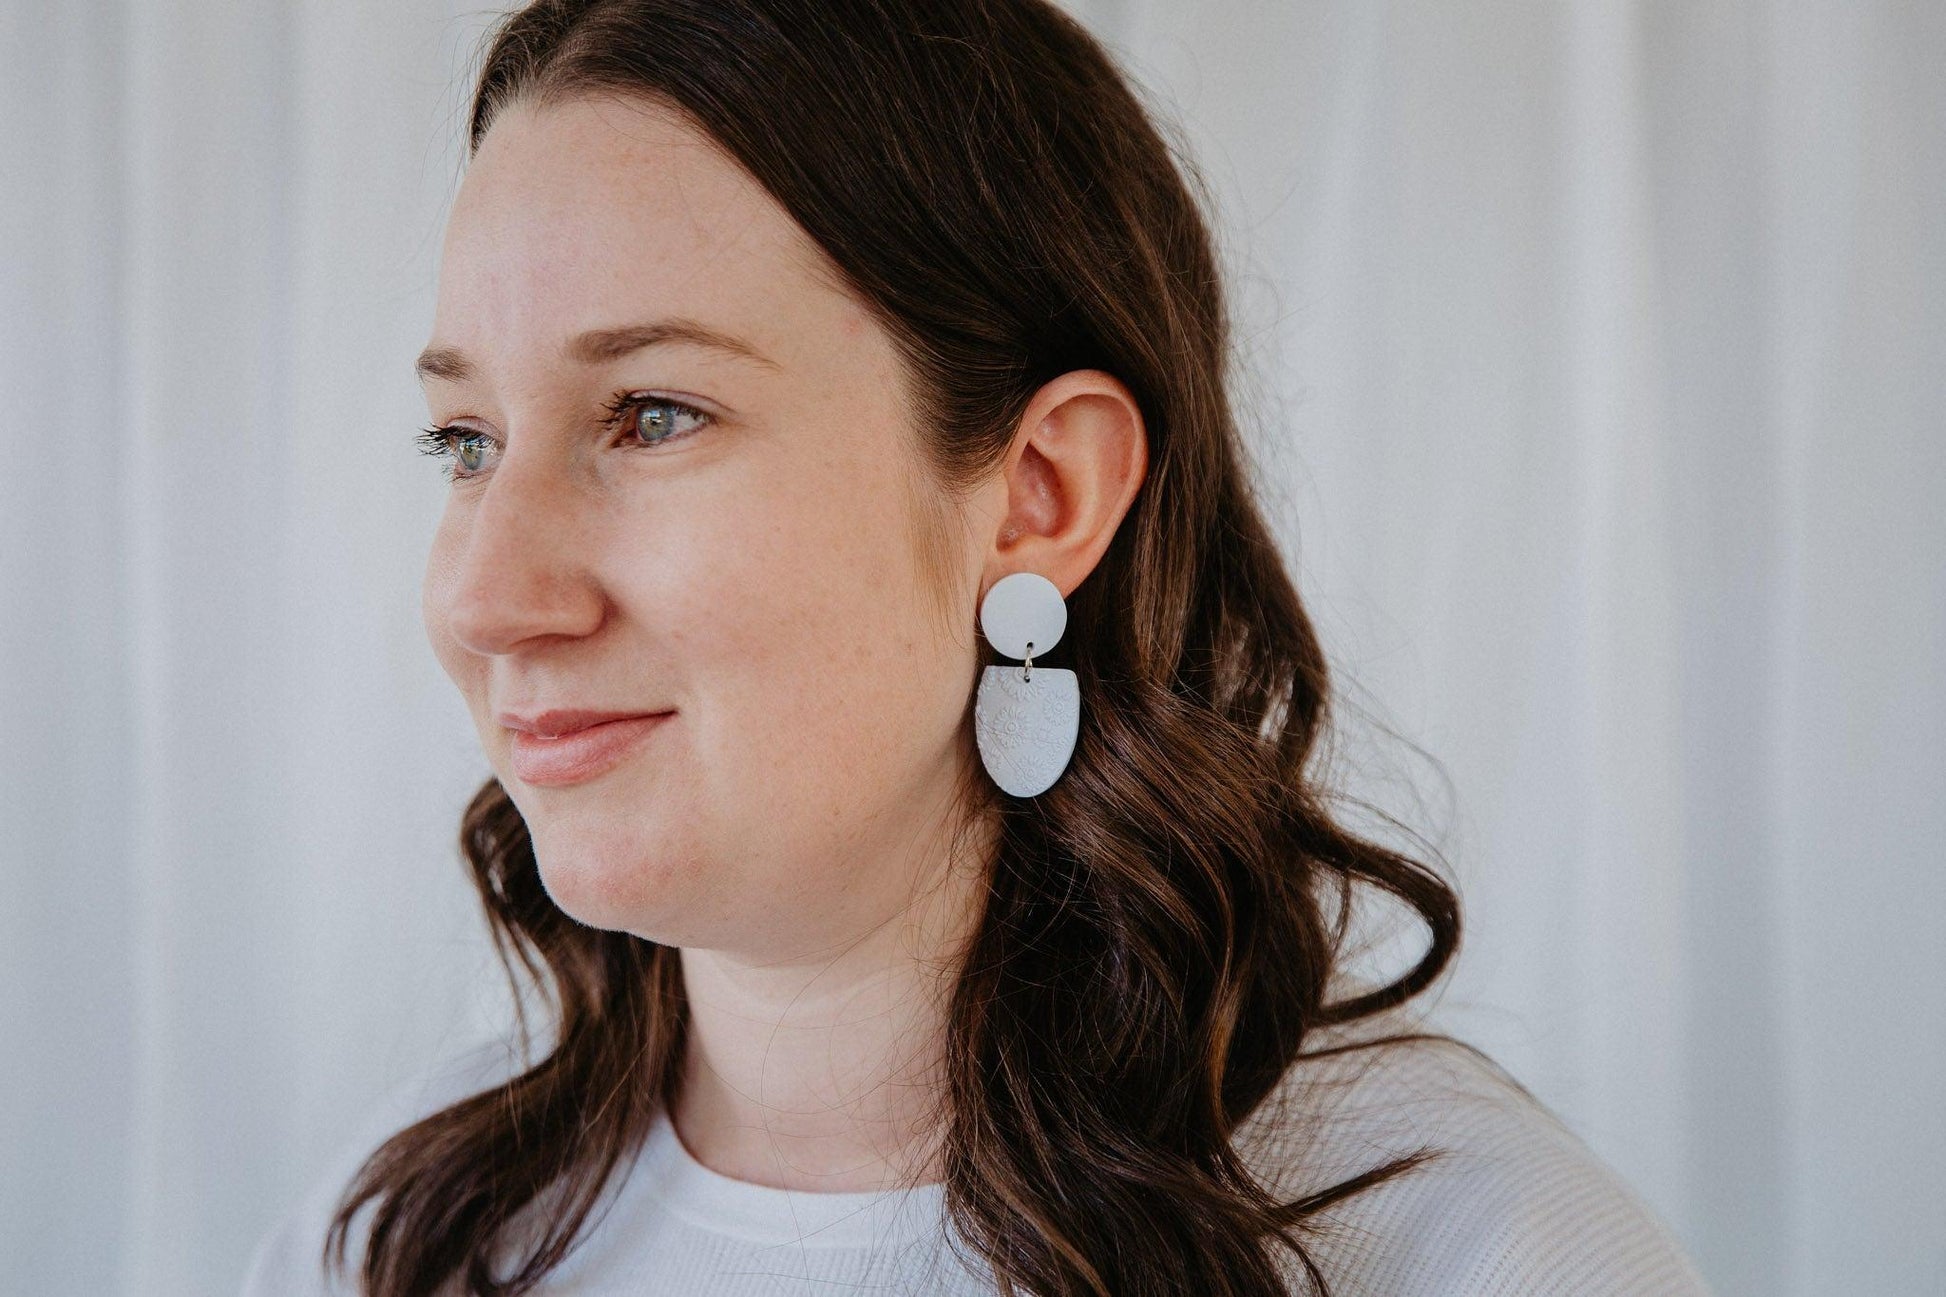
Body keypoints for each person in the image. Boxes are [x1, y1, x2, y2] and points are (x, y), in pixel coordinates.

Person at [241, 1, 1715, 1293]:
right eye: (465, 440)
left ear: (1038, 494)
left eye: (654, 414)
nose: (490, 596)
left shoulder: (1472, 1253)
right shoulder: (388, 1241)